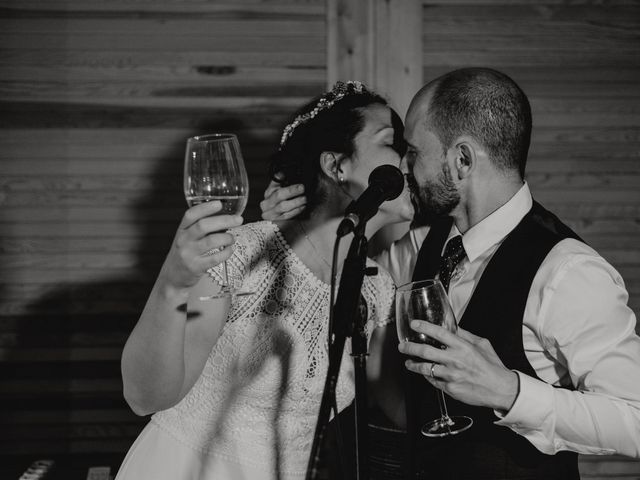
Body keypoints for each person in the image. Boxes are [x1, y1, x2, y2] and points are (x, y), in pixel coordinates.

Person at [261, 68, 640, 479]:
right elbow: (348, 283)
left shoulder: (568, 271)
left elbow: (636, 420)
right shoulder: (426, 241)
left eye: (414, 153)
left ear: (462, 160)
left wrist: (509, 391)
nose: (405, 168)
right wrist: (296, 223)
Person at [115, 80, 413, 480]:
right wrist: (174, 283)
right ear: (337, 166)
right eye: (391, 142)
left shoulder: (378, 290)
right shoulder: (240, 253)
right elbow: (145, 396)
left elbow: (399, 404)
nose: (407, 160)